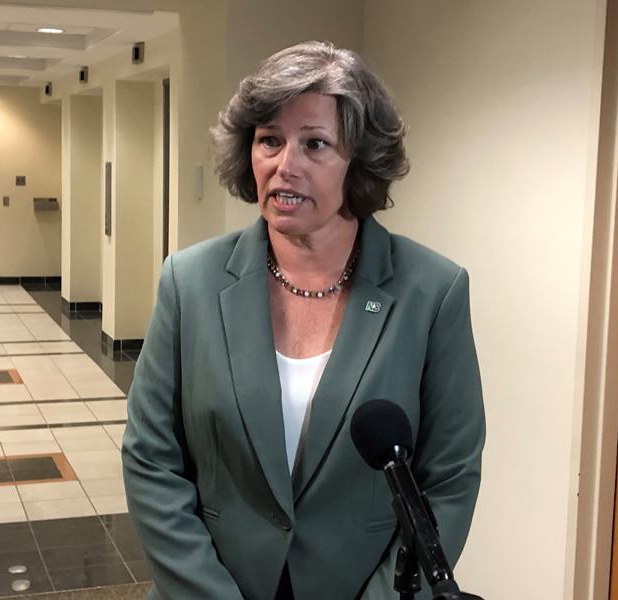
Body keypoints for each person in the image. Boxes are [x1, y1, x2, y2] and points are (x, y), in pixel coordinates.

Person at [122, 40, 485, 600]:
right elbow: (151, 459)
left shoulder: (432, 291)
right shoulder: (189, 282)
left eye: (315, 144)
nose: (284, 166)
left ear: (360, 162)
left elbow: (450, 477)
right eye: (269, 140)